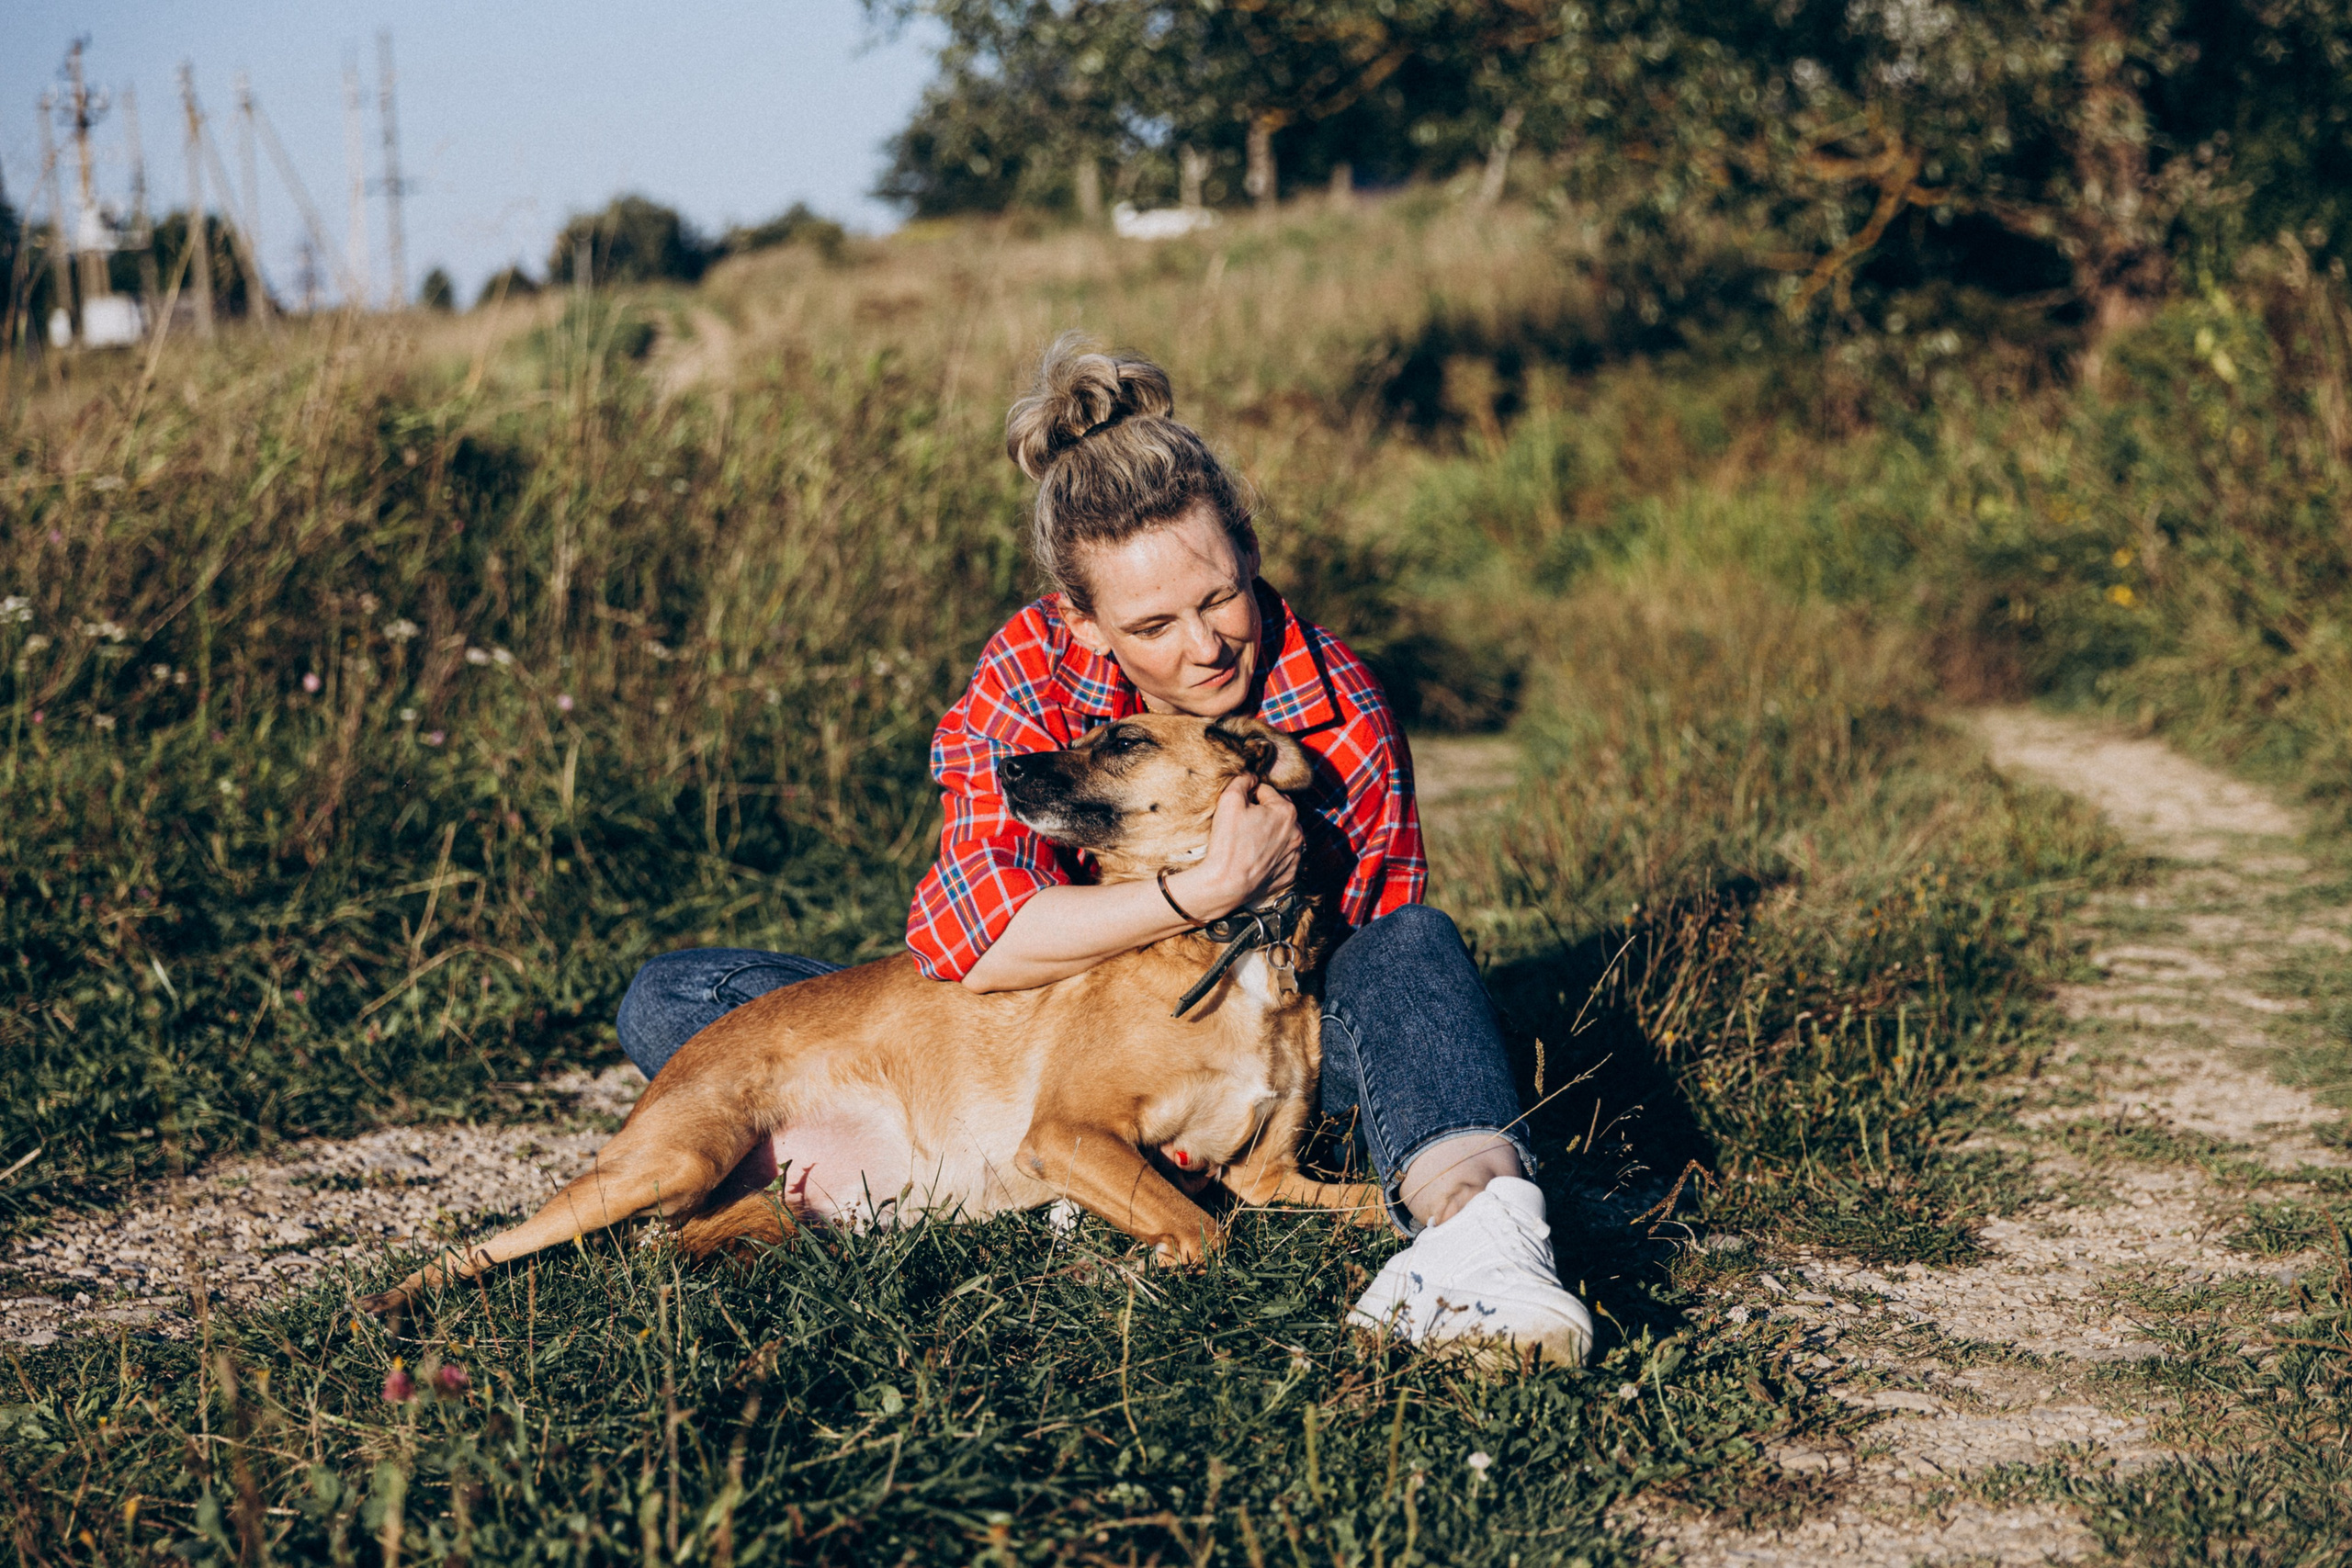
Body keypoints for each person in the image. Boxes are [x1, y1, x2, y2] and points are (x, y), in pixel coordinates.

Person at [616, 335, 1592, 1365]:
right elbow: (966, 940)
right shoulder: (1027, 672)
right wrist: (1204, 886)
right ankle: (1068, 1153)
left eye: (1220, 599)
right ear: (1080, 622)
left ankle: (1480, 1237)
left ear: (1249, 553)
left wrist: (1216, 1038)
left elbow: (1357, 961)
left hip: (1265, 1054)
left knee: (1416, 949)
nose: (1206, 646)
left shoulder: (1331, 700)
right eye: (1155, 623)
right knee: (677, 999)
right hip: (1046, 1040)